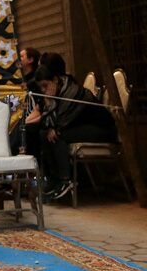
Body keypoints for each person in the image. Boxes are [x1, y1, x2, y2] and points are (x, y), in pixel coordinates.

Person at [35, 65, 117, 201]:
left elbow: (64, 120)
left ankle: (65, 180)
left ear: (55, 80)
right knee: (44, 134)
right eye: (41, 88)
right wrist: (48, 104)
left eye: (45, 85)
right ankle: (53, 179)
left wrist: (54, 127)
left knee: (58, 136)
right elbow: (48, 122)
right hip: (79, 127)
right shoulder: (56, 93)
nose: (44, 90)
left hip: (100, 129)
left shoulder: (72, 92)